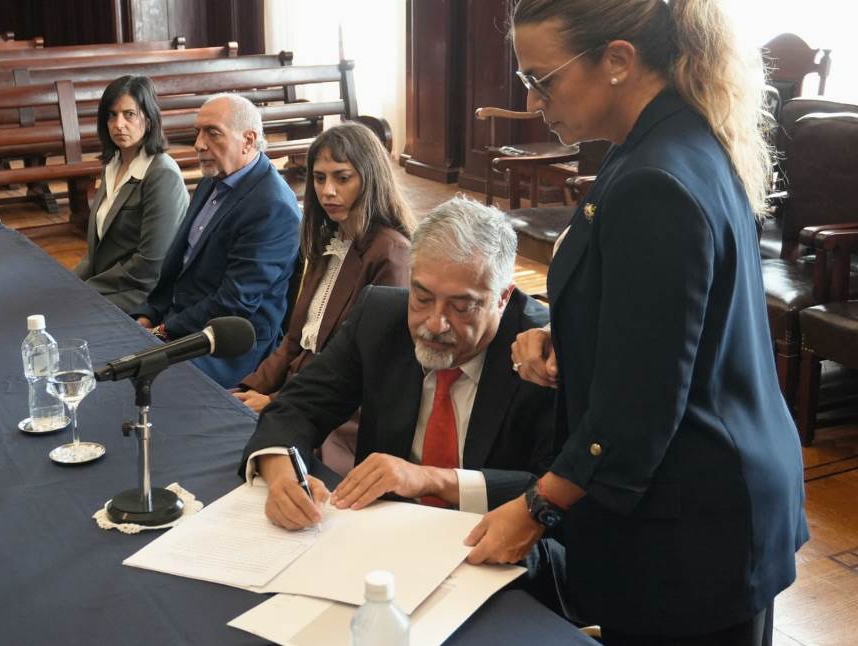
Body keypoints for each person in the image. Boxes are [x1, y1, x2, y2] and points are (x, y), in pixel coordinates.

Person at [465, 2, 809, 644]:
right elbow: (666, 319)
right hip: (709, 488)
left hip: (694, 517)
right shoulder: (659, 143)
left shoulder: (655, 178)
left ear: (618, 61)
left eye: (543, 78)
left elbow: (641, 407)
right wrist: (568, 335)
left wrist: (537, 508)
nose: (534, 100)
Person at [239, 197, 561, 601]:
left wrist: (433, 479)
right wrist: (280, 472)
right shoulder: (379, 317)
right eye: (422, 297)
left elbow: (557, 486)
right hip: (379, 556)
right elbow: (299, 404)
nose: (434, 323)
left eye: (461, 307)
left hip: (498, 565)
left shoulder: (542, 358)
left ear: (502, 297)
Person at [233, 122, 415, 475]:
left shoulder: (391, 255)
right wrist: (249, 388)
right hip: (296, 395)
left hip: (341, 417)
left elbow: (366, 371)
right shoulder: (330, 240)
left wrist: (275, 404)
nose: (328, 191)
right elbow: (293, 341)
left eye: (342, 178)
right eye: (319, 178)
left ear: (370, 178)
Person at [131, 93, 301, 388]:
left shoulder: (272, 206)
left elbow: (233, 304)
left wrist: (162, 332)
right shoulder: (214, 178)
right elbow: (179, 265)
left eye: (212, 133)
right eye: (197, 132)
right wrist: (149, 314)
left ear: (248, 140)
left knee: (146, 385)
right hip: (183, 319)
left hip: (227, 343)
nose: (198, 144)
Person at [73, 75, 190, 313]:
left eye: (129, 114)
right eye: (112, 115)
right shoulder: (113, 164)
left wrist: (86, 290)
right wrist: (70, 282)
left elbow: (151, 263)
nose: (119, 124)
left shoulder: (161, 174)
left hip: (144, 294)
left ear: (148, 119)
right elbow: (95, 252)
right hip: (110, 285)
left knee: (67, 313)